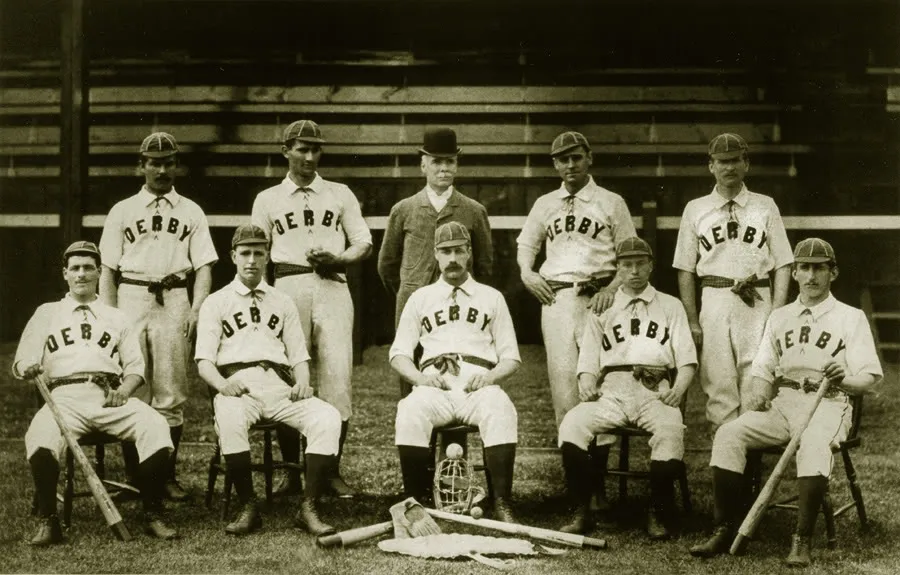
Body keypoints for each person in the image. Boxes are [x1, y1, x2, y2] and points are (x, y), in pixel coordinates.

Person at [689, 238, 882, 566]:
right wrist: (758, 397)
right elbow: (763, 369)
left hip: (830, 402)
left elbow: (870, 378)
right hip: (785, 401)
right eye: (804, 268)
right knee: (729, 434)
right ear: (793, 273)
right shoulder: (779, 317)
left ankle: (801, 539)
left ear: (832, 273)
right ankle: (724, 528)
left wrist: (843, 379)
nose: (811, 276)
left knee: (814, 441)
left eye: (819, 268)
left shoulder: (851, 318)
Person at [15, 241, 178, 545]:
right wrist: (28, 367)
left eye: (88, 268)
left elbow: (134, 369)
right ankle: (49, 520)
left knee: (156, 426)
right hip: (63, 398)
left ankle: (152, 512)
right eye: (75, 268)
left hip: (107, 396)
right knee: (39, 436)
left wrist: (124, 391)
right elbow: (23, 358)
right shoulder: (47, 313)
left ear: (99, 272)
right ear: (65, 273)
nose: (81, 274)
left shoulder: (116, 316)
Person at [195, 224, 342, 536]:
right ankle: (248, 505)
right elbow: (204, 362)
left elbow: (299, 355)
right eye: (245, 253)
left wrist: (302, 381)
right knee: (231, 418)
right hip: (238, 386)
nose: (251, 260)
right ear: (233, 256)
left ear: (267, 257)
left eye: (258, 253)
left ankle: (309, 506)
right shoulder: (216, 302)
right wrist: (222, 386)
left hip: (279, 385)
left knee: (328, 417)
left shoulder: (282, 300)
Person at [251, 119, 372, 499]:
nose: (308, 156)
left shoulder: (339, 193)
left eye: (315, 149)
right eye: (301, 148)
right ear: (285, 150)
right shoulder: (268, 198)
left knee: (338, 379)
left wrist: (339, 258)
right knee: (288, 377)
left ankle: (330, 470)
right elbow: (256, 249)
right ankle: (291, 471)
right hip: (287, 287)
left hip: (333, 284)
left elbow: (363, 242)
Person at [517, 130, 636, 511]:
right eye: (562, 159)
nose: (570, 165)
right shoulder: (545, 203)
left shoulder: (610, 202)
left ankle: (597, 487)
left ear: (589, 158)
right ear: (554, 164)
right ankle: (577, 486)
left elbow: (629, 256)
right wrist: (527, 274)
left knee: (599, 385)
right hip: (556, 298)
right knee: (564, 388)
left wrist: (614, 287)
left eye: (576, 157)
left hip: (600, 298)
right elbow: (526, 246)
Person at [98, 131, 218, 501]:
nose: (162, 169)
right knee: (134, 389)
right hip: (132, 295)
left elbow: (204, 266)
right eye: (154, 162)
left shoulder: (191, 210)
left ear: (176, 166)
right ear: (142, 166)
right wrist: (109, 317)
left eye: (168, 163)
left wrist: (197, 308)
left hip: (174, 296)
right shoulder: (122, 210)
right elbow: (107, 269)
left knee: (170, 391)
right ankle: (138, 478)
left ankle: (164, 475)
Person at [558, 237, 697, 540]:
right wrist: (585, 382)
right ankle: (581, 511)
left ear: (651, 266)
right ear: (618, 269)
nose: (634, 271)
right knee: (572, 424)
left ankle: (657, 511)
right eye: (627, 265)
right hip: (612, 390)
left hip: (654, 389)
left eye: (640, 264)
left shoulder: (670, 305)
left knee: (671, 429)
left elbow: (687, 360)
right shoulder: (602, 306)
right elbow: (589, 356)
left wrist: (679, 389)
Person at [391, 221, 521, 523]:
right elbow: (398, 354)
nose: (452, 259)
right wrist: (421, 380)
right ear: (435, 255)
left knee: (501, 408)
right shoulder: (420, 298)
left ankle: (503, 502)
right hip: (435, 383)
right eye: (445, 251)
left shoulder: (491, 297)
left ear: (469, 253)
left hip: (479, 382)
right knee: (409, 410)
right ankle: (416, 501)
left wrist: (489, 378)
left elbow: (512, 357)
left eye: (458, 251)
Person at [673, 133, 793, 428]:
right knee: (718, 378)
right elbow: (685, 269)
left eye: (735, 160)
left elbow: (784, 263)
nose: (729, 167)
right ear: (711, 166)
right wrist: (692, 319)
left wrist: (777, 312)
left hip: (757, 297)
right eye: (722, 162)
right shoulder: (696, 208)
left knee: (757, 376)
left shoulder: (765, 205)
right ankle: (726, 463)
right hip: (715, 297)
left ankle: (749, 458)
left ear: (746, 164)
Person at [378, 127, 493, 398]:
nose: (443, 168)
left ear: (457, 165)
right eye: (436, 162)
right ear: (423, 165)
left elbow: (486, 266)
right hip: (412, 302)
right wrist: (411, 291)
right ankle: (415, 435)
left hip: (461, 305)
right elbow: (387, 265)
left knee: (460, 368)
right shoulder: (403, 210)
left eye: (449, 161)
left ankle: (456, 439)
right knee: (410, 366)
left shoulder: (474, 211)